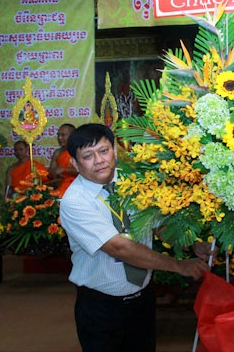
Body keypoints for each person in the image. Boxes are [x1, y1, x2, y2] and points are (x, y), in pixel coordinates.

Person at [59, 123, 211, 352]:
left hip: (142, 299)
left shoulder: (132, 181)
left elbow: (158, 224)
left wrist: (192, 244)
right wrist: (178, 266)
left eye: (103, 150)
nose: (99, 160)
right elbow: (120, 248)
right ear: (75, 163)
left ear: (115, 150)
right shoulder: (75, 201)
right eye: (88, 156)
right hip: (101, 306)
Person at [48, 123, 78, 196]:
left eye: (63, 135)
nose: (59, 138)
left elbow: (85, 171)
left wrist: (64, 170)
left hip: (77, 187)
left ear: (72, 136)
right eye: (58, 135)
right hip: (61, 187)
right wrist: (55, 175)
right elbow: (51, 172)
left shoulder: (79, 151)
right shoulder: (57, 153)